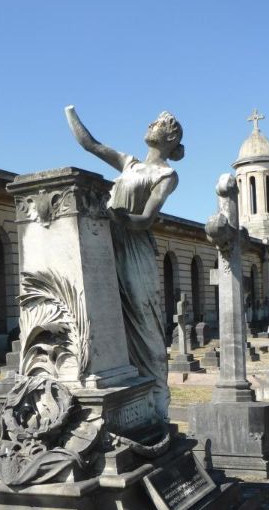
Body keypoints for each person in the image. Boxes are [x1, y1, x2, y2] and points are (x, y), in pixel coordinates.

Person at [65, 105, 184, 420]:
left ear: (170, 139)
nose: (150, 123)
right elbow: (89, 144)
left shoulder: (166, 175)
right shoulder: (128, 163)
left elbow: (145, 219)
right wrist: (70, 112)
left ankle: (158, 402)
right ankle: (129, 398)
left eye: (159, 123)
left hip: (134, 250)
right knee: (108, 318)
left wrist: (115, 215)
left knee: (146, 326)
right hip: (106, 244)